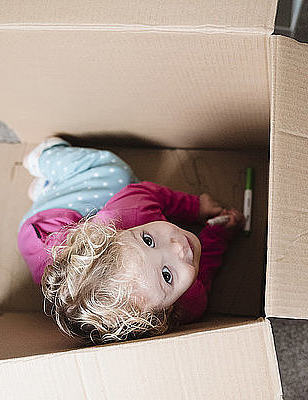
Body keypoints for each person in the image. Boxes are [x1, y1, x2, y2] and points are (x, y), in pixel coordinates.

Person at [17, 137, 244, 344]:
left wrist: (195, 207)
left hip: (46, 227)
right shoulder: (191, 306)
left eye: (148, 240)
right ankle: (52, 187)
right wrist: (218, 235)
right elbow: (204, 272)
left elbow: (150, 192)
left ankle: (43, 161)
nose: (178, 246)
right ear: (160, 317)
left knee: (117, 174)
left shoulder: (130, 210)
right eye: (166, 276)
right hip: (65, 252)